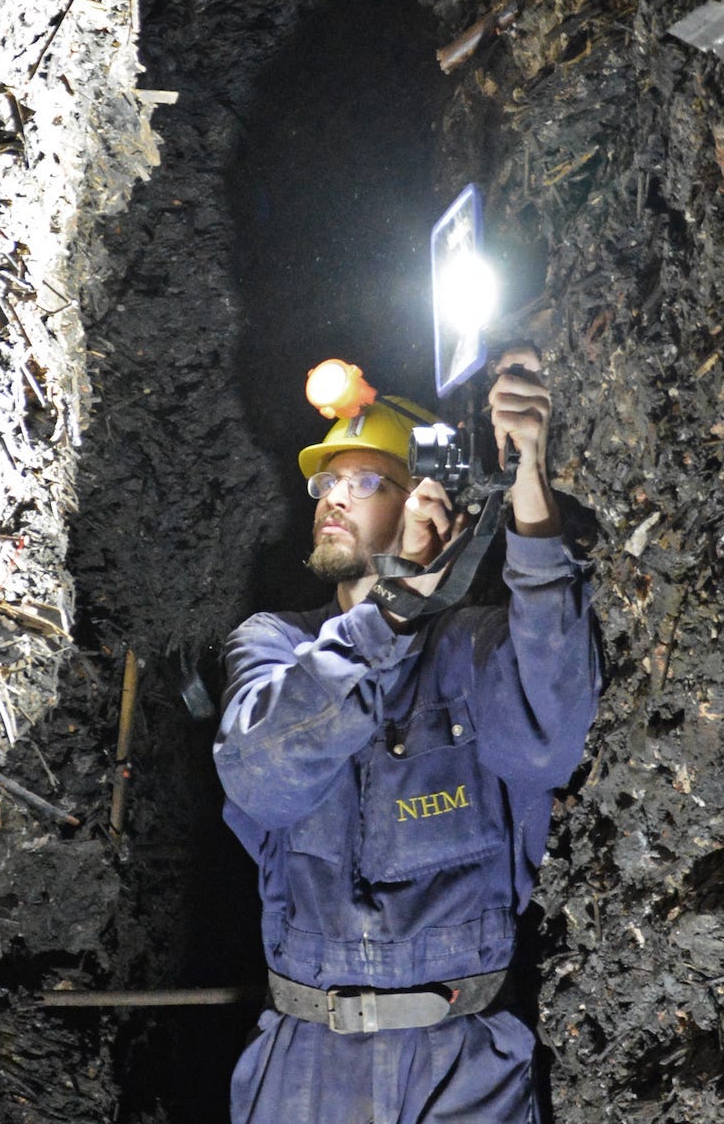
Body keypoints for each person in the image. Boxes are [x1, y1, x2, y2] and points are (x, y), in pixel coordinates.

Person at [214, 350, 600, 1124]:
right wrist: (390, 607)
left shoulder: (471, 648)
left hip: (461, 1062)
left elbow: (550, 736)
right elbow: (262, 775)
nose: (333, 500)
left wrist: (527, 479)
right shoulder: (271, 645)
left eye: (366, 482)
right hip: (306, 1059)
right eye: (327, 482)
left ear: (426, 498)